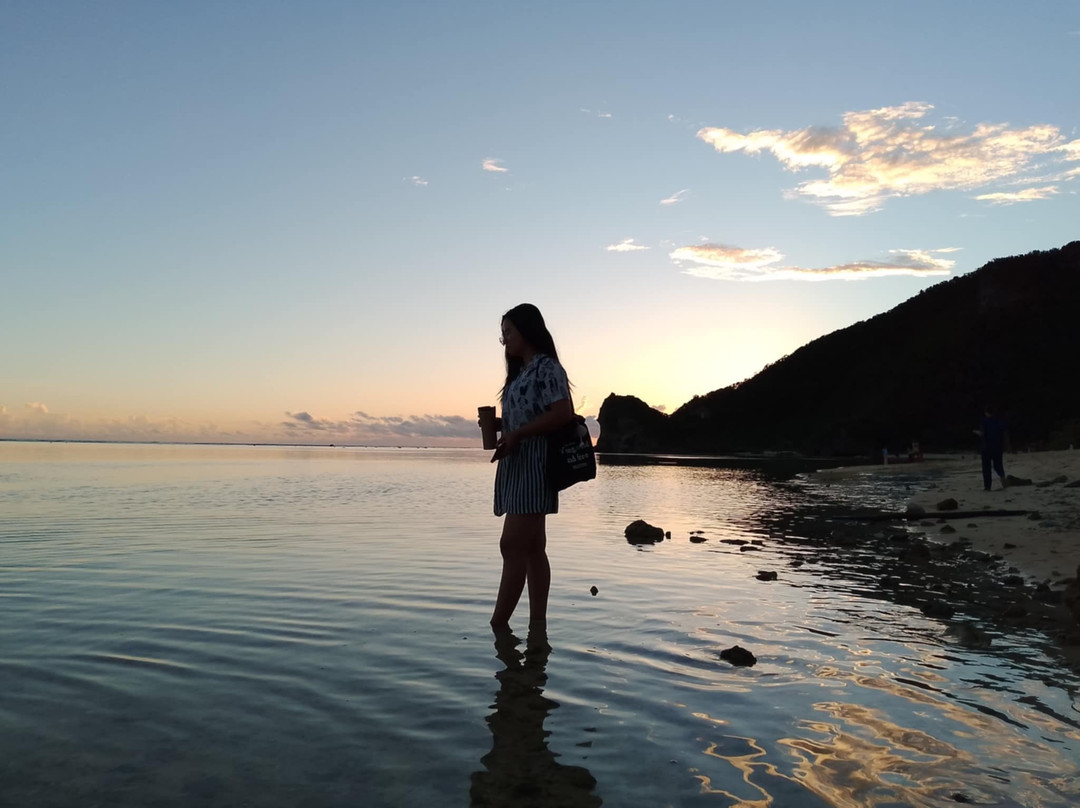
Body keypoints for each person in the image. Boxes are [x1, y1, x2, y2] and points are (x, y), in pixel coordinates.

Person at [483, 304, 574, 630]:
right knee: (533, 548)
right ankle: (538, 627)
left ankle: (498, 627)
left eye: (508, 332)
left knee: (511, 545)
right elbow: (529, 415)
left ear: (527, 330)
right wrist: (499, 424)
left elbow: (562, 413)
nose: (504, 340)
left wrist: (519, 432)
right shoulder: (521, 374)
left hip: (536, 464)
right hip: (517, 464)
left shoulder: (547, 368)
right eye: (502, 335)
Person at [975, 405, 1008, 491]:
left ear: (986, 413)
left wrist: (977, 432)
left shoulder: (984, 422)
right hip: (998, 447)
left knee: (986, 468)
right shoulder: (999, 421)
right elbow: (1004, 434)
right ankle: (1003, 479)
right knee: (998, 465)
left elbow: (983, 433)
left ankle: (987, 487)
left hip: (986, 447)